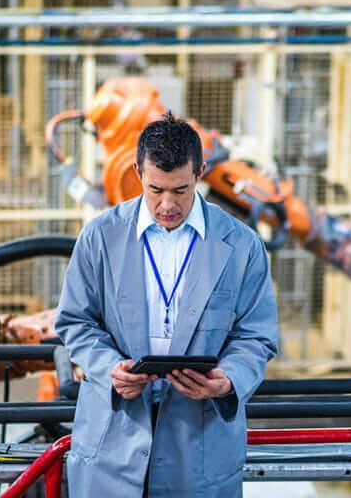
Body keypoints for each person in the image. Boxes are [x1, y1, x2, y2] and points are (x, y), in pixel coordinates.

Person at [55, 113, 279, 497]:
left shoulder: (242, 246)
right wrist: (110, 368)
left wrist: (229, 379)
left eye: (180, 189)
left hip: (200, 437)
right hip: (114, 433)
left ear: (201, 173)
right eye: (155, 189)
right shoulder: (99, 237)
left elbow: (256, 335)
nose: (166, 204)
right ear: (137, 171)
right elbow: (76, 321)